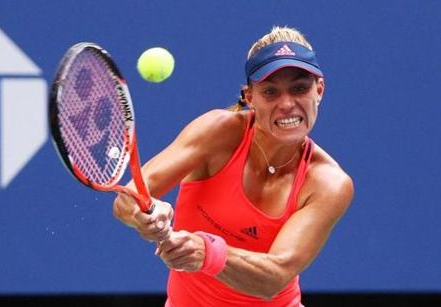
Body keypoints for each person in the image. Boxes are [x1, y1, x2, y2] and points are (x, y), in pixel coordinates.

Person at [113, 26, 354, 307]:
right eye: (270, 92)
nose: (287, 104)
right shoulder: (217, 133)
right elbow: (128, 199)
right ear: (250, 97)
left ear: (320, 90)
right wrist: (145, 214)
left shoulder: (328, 183)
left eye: (299, 88)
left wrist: (207, 253)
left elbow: (274, 278)